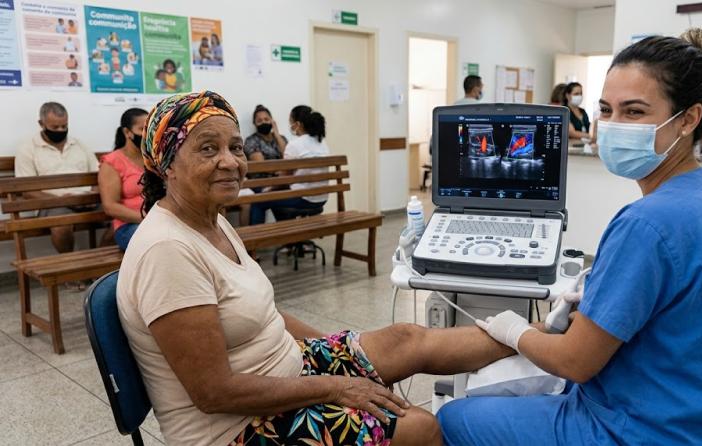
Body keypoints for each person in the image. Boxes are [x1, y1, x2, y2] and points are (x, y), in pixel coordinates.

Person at [116, 90, 514, 446]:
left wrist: (342, 353)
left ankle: (539, 341)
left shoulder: (212, 219)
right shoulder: (166, 250)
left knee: (405, 338)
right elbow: (213, 393)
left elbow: (263, 313)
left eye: (235, 147)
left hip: (285, 368)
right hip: (236, 426)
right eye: (207, 149)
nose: (229, 161)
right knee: (420, 428)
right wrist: (335, 387)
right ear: (166, 164)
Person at [438, 28, 702, 445]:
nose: (614, 126)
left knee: (454, 417)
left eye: (634, 112)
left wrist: (515, 330)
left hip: (635, 431)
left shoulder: (647, 223)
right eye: (607, 109)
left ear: (689, 119)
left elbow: (575, 363)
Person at [15, 102, 99, 259]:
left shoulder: (79, 145)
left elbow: (99, 176)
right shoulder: (28, 149)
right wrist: (63, 201)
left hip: (86, 200)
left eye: (64, 126)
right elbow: (28, 191)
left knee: (118, 214)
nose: (61, 131)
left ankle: (101, 268)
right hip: (52, 204)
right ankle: (71, 270)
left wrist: (93, 195)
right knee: (62, 225)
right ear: (41, 124)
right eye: (55, 127)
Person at [249, 105, 326, 225]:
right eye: (259, 120)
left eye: (291, 122)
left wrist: (268, 190)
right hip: (322, 198)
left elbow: (284, 179)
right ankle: (290, 238)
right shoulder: (321, 142)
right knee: (277, 196)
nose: (291, 126)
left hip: (303, 197)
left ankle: (255, 241)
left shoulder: (295, 144)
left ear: (298, 124)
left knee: (259, 202)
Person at [98, 108, 147, 250]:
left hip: (161, 222)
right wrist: (147, 218)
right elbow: (110, 206)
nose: (147, 135)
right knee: (158, 243)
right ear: (127, 132)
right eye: (142, 129)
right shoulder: (112, 161)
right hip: (129, 226)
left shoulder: (155, 159)